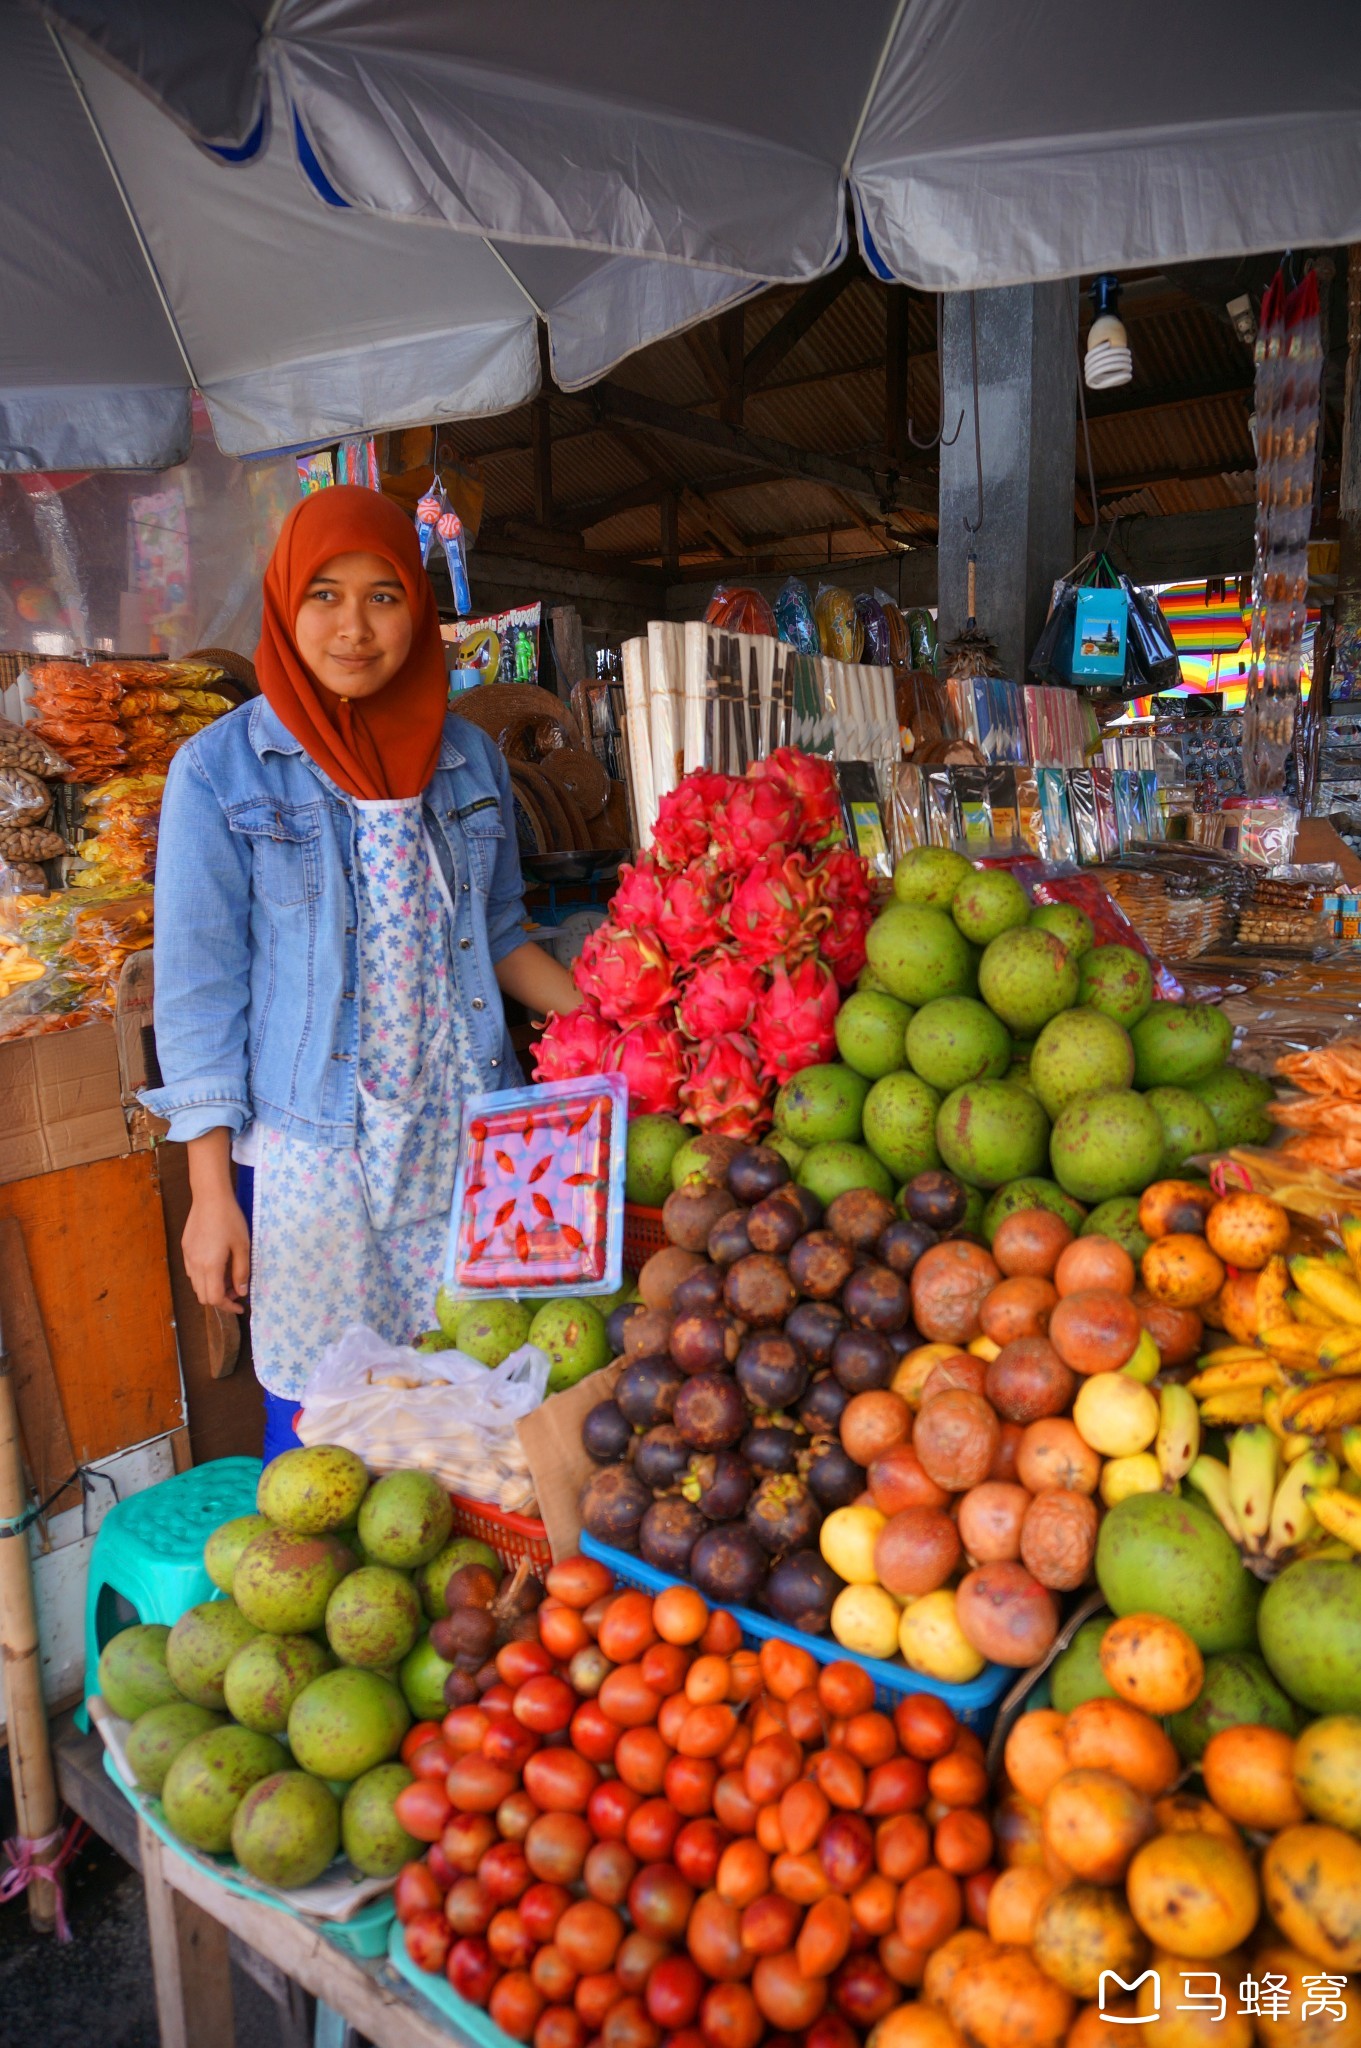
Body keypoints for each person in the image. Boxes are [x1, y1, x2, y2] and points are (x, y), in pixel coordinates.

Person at [145, 486, 580, 1461]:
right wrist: (209, 1197)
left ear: (417, 610)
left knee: (477, 1413)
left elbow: (502, 933)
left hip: (469, 1134)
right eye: (324, 594)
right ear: (284, 605)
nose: (353, 626)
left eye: (384, 595)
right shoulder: (220, 772)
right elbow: (198, 996)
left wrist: (622, 1025)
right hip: (314, 1151)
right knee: (326, 1438)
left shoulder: (466, 760)